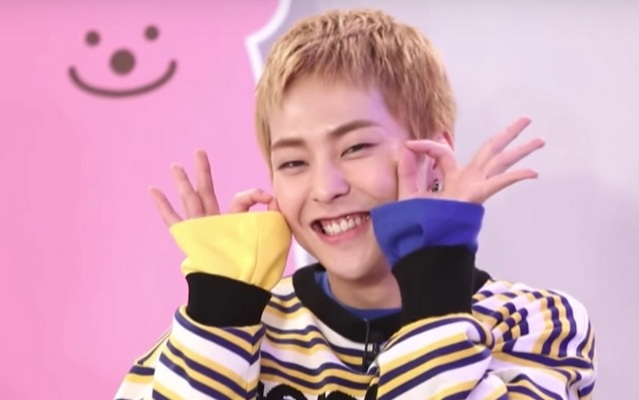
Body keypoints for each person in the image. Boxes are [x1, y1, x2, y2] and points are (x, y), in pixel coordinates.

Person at [115, 8, 596, 400]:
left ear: (433, 155)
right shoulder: (230, 326)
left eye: (355, 148)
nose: (325, 188)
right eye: (293, 162)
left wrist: (434, 276)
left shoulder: (535, 321)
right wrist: (221, 311)